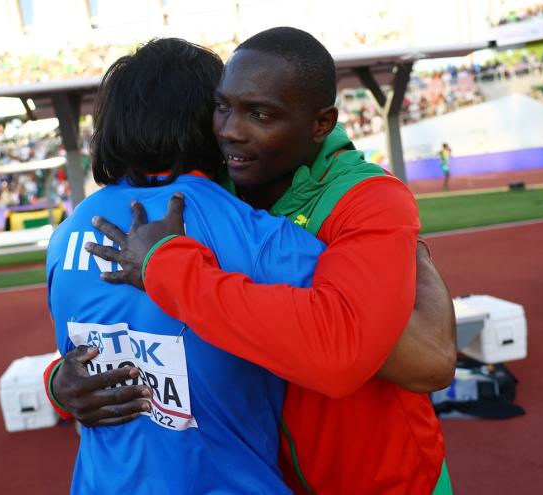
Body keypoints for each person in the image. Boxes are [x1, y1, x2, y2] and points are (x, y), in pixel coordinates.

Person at [75, 28, 457, 494]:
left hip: (385, 482)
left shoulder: (367, 198)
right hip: (270, 477)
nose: (230, 130)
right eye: (223, 107)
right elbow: (134, 324)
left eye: (260, 113)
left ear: (321, 124)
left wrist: (169, 267)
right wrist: (61, 381)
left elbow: (420, 363)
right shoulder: (216, 188)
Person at [47, 37, 335, 493]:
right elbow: (358, 328)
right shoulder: (256, 233)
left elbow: (76, 356)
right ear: (208, 120)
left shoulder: (68, 232)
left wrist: (56, 385)